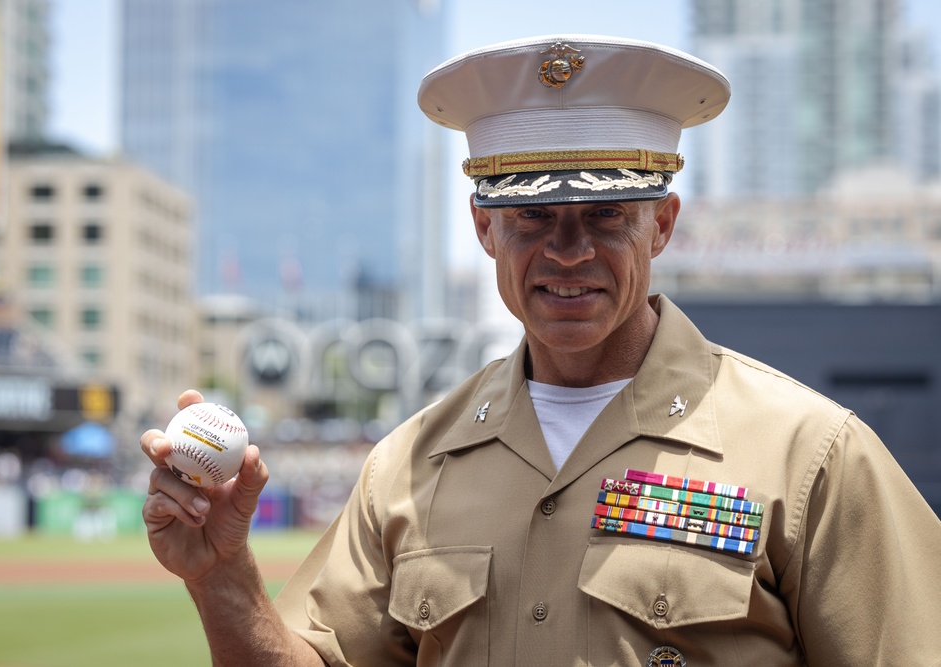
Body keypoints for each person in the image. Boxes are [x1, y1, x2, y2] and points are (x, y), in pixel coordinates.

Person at [141, 35, 941, 666]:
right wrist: (223, 577)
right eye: (530, 218)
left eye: (603, 215)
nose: (565, 250)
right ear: (485, 226)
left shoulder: (812, 457)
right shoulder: (410, 464)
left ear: (661, 223)